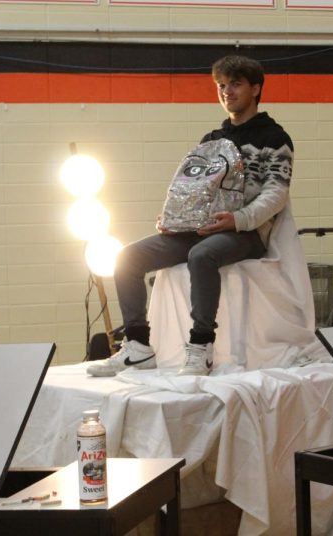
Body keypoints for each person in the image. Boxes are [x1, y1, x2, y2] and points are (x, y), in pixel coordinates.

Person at [88, 55, 294, 377]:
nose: (226, 92)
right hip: (198, 229)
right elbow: (191, 188)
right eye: (221, 86)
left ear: (256, 88)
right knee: (127, 257)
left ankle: (201, 346)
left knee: (202, 255)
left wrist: (238, 219)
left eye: (235, 84)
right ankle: (139, 346)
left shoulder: (274, 138)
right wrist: (174, 219)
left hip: (244, 234)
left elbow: (276, 193)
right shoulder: (210, 141)